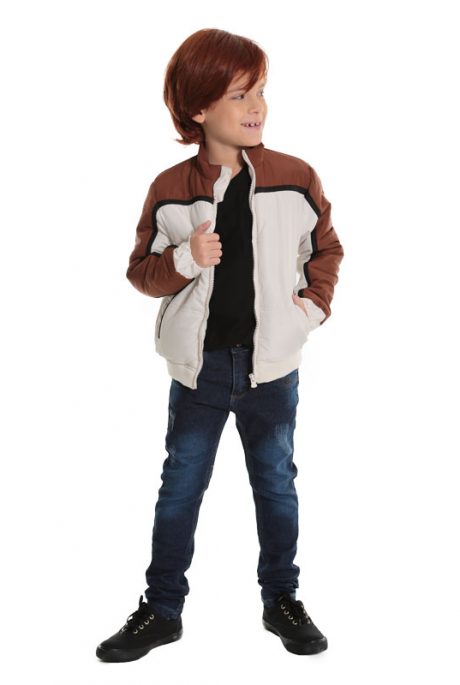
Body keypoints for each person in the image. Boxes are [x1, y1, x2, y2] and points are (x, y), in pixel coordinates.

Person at [96, 28, 344, 662]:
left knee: (276, 484)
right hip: (198, 370)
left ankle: (282, 599)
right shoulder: (169, 186)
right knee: (180, 488)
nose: (257, 106)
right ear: (200, 107)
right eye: (240, 95)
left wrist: (310, 311)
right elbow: (141, 273)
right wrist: (186, 258)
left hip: (272, 368)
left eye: (261, 91)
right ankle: (162, 610)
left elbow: (325, 250)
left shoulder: (295, 177)